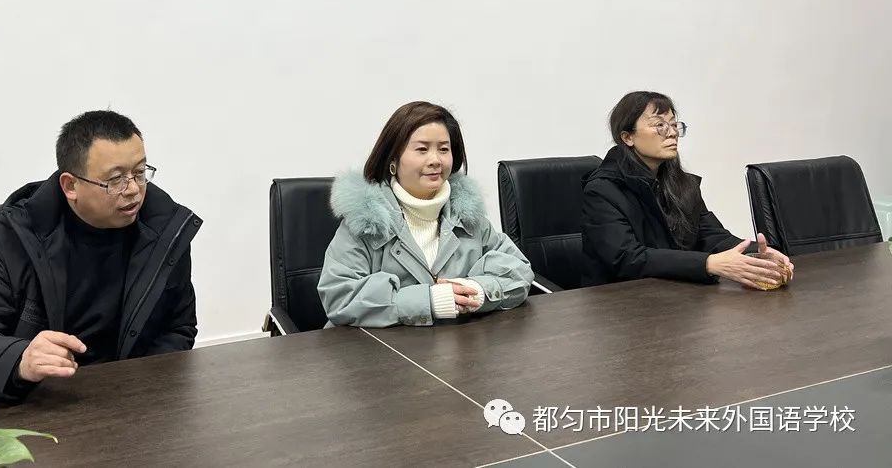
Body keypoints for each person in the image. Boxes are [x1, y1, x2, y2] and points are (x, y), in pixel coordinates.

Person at [0, 110, 202, 401]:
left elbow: (178, 327)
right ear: (71, 185)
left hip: (133, 402)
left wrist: (136, 386)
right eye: (115, 179)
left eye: (139, 172)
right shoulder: (10, 239)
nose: (133, 189)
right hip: (40, 406)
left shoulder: (166, 230)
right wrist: (20, 359)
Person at [318, 101, 533, 327]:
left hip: (455, 344)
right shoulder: (366, 221)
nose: (435, 160)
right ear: (393, 159)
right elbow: (339, 297)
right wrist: (428, 301)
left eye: (444, 149)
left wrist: (477, 291)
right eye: (422, 149)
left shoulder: (466, 215)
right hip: (377, 347)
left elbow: (519, 271)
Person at [582, 91, 793, 288]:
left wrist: (756, 254)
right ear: (627, 137)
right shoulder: (602, 190)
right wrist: (707, 264)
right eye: (660, 125)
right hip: (617, 302)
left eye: (674, 125)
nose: (672, 133)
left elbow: (709, 235)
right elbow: (626, 258)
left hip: (673, 295)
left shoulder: (682, 184)